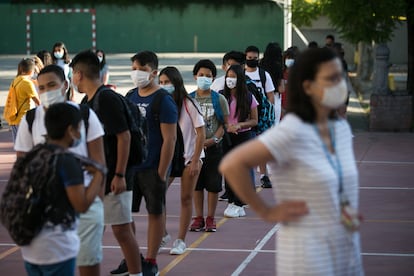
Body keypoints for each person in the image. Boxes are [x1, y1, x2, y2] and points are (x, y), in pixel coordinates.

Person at [220, 47, 364, 275]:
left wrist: (345, 213)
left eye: (340, 78)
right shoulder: (294, 130)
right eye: (331, 79)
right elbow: (232, 164)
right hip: (308, 260)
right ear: (308, 86)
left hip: (347, 256)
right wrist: (266, 211)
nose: (340, 85)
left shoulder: (341, 128)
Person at [14, 64, 106, 276]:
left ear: (65, 85)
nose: (46, 92)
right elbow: (22, 168)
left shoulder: (84, 115)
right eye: (42, 87)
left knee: (88, 265)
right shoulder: (30, 119)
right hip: (47, 211)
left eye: (52, 85)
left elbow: (100, 162)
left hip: (85, 203)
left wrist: (96, 202)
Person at [72, 50, 143, 276]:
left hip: (115, 174)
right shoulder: (88, 101)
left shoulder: (107, 99)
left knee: (121, 230)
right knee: (121, 226)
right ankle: (135, 267)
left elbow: (124, 136)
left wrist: (119, 175)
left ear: (79, 74)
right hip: (103, 175)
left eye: (73, 74)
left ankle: (137, 272)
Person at [113, 51, 177, 275]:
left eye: (140, 69)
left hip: (152, 168)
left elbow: (170, 138)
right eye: (133, 69)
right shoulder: (130, 95)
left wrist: (162, 172)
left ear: (153, 72)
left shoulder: (163, 100)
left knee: (155, 213)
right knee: (124, 215)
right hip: (132, 167)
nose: (136, 73)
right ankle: (133, 258)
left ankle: (150, 261)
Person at [159, 66, 206, 255]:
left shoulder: (188, 103)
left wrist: (195, 160)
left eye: (167, 82)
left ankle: (180, 240)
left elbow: (201, 133)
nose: (163, 86)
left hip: (189, 158)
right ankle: (161, 234)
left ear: (176, 83)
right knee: (157, 196)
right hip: (169, 158)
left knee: (185, 198)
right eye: (161, 82)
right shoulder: (160, 103)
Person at [189, 59, 229, 232]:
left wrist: (214, 140)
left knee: (213, 185)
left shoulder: (219, 99)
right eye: (201, 75)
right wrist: (196, 143)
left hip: (213, 149)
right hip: (195, 150)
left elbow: (224, 124)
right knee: (196, 185)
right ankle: (198, 217)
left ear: (213, 78)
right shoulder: (189, 99)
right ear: (194, 76)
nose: (204, 78)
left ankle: (210, 218)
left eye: (208, 76)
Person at [221, 64, 258, 218]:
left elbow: (254, 120)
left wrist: (240, 125)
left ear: (240, 78)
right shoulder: (221, 95)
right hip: (226, 136)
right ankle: (232, 199)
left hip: (243, 136)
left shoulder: (248, 97)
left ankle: (240, 202)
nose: (230, 79)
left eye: (234, 76)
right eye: (228, 76)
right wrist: (226, 126)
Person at [244, 45, 275, 189]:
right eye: (249, 58)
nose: (252, 61)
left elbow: (270, 95)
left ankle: (264, 175)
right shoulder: (240, 74)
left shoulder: (264, 75)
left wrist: (268, 113)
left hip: (261, 116)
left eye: (255, 58)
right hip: (244, 115)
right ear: (245, 57)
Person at [3, 58, 40, 142]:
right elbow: (37, 101)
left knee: (18, 145)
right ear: (32, 70)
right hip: (24, 118)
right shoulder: (27, 83)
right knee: (27, 144)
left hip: (14, 117)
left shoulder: (16, 80)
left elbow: (35, 82)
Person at [259, 42, 284, 125]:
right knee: (274, 123)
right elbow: (282, 88)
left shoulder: (261, 65)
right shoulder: (279, 67)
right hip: (275, 96)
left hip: (261, 96)